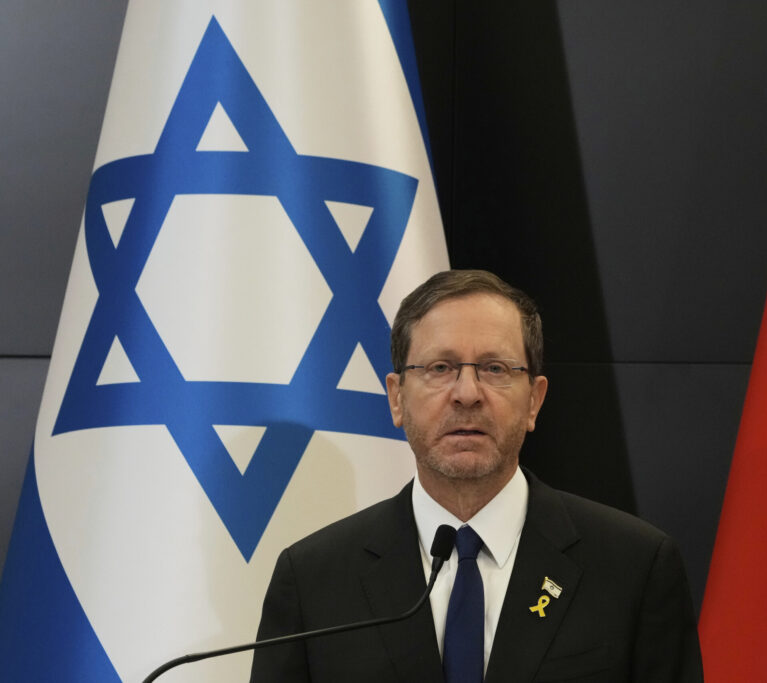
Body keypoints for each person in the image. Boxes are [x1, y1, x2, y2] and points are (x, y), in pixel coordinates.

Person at [250, 269, 703, 682]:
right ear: (396, 398)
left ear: (534, 401)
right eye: (440, 368)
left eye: (494, 369)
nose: (467, 394)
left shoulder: (634, 567)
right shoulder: (313, 580)